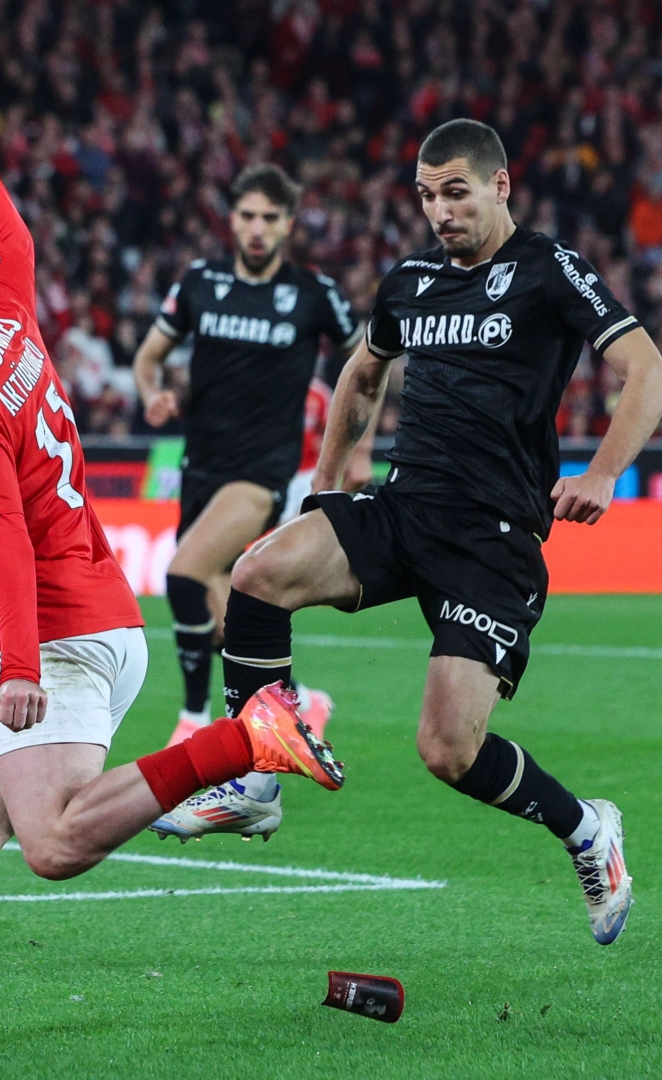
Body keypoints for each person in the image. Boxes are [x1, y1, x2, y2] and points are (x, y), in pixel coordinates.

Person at [0, 37, 343, 1053]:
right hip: (89, 605)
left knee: (48, 844)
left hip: (54, 633)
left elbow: (0, 527)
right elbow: (12, 230)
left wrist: (13, 664)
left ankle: (247, 738)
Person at [199, 119, 661, 944]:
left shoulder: (548, 269)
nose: (439, 211)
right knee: (258, 571)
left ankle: (586, 828)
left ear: (499, 186)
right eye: (425, 196)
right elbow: (362, 370)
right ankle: (255, 775)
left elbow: (645, 369)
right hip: (405, 507)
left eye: (454, 192)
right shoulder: (410, 278)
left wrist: (600, 472)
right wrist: (330, 474)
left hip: (491, 537)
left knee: (447, 752)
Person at [130, 164, 364, 840]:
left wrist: (355, 449)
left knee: (179, 574)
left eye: (269, 217)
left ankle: (193, 718)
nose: (256, 228)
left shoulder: (313, 294)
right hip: (199, 468)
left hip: (259, 475)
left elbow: (365, 367)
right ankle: (296, 705)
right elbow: (149, 356)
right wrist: (151, 392)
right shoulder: (199, 284)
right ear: (230, 221)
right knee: (229, 618)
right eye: (246, 216)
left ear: (288, 224)